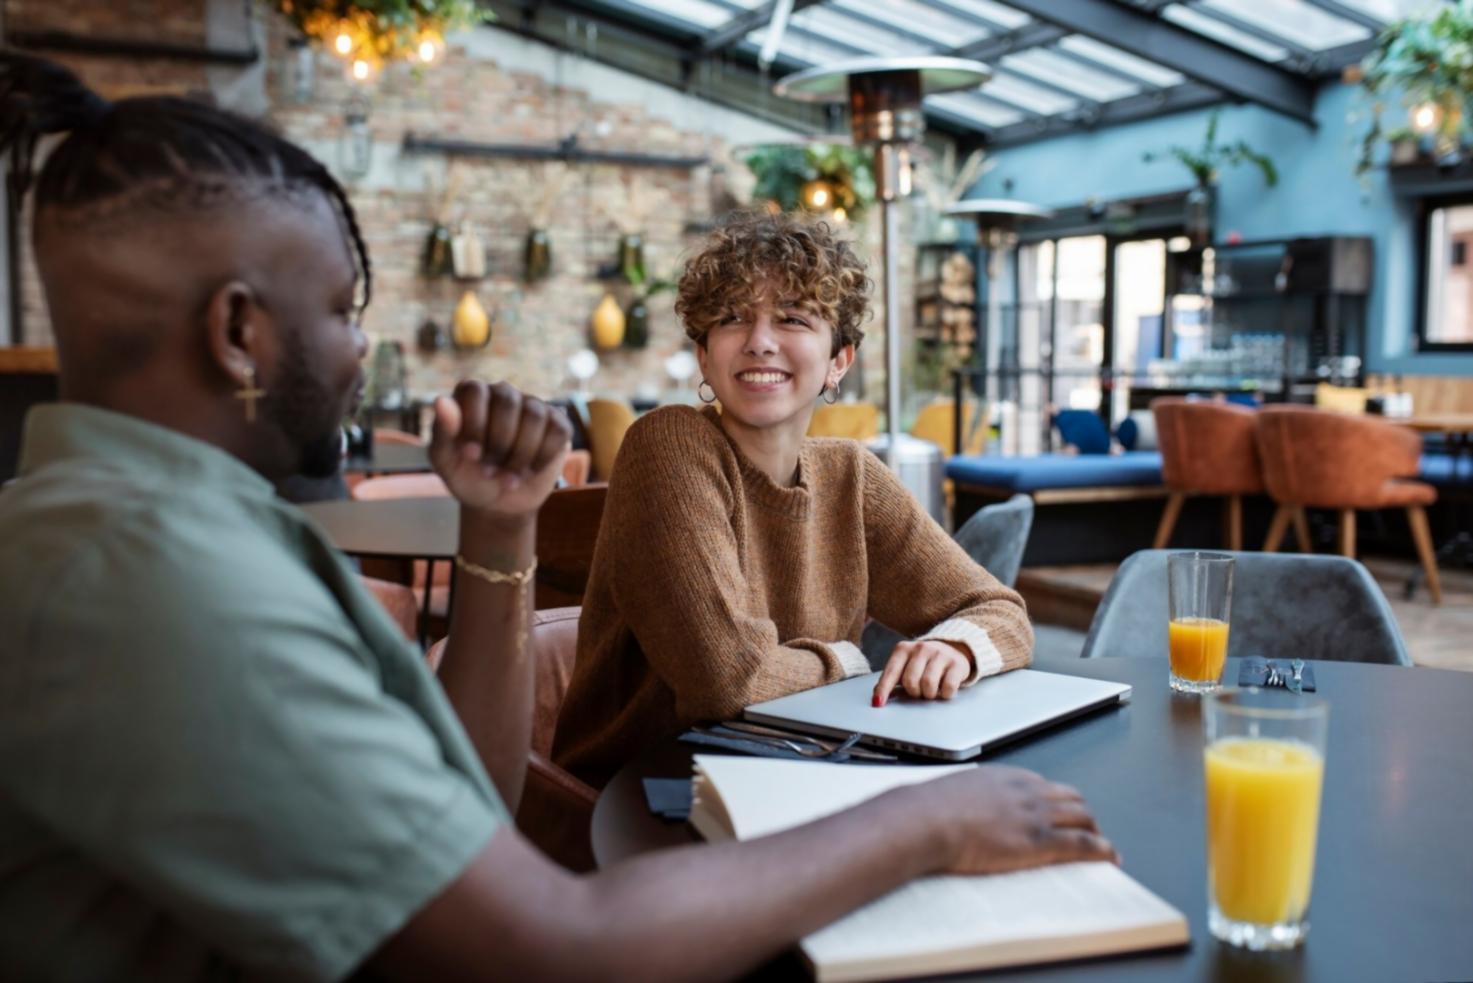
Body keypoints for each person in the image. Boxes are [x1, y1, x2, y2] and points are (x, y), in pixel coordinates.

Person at [0, 54, 1113, 982]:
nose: (359, 352)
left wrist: (499, 533)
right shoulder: (153, 579)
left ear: (840, 357)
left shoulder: (189, 534)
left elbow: (469, 798)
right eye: (345, 310)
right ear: (241, 334)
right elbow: (552, 945)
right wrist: (933, 819)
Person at [554, 213, 1033, 787]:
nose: (760, 341)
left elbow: (1002, 610)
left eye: (792, 318)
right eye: (732, 319)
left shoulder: (850, 476)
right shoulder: (670, 446)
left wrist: (957, 647)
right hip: (638, 799)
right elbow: (725, 681)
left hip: (791, 778)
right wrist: (855, 663)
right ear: (705, 356)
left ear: (839, 360)